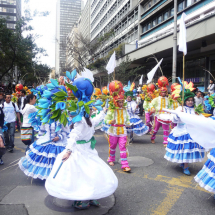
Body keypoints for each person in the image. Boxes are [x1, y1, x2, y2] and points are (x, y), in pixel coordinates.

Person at [45, 78, 118, 210]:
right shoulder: (80, 121)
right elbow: (74, 136)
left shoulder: (87, 119)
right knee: (80, 175)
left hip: (88, 150)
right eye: (90, 107)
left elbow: (95, 122)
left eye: (91, 107)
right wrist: (68, 151)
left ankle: (90, 196)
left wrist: (104, 111)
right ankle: (79, 200)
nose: (92, 109)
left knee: (93, 173)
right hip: (78, 151)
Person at [164, 89, 205, 175]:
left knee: (189, 149)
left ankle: (184, 164)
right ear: (185, 101)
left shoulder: (195, 109)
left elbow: (200, 119)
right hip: (181, 131)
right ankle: (185, 166)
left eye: (191, 100)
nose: (190, 102)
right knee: (184, 149)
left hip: (192, 131)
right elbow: (174, 120)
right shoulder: (180, 108)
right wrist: (178, 114)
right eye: (188, 100)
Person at [104, 86, 131, 172]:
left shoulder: (124, 110)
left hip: (123, 131)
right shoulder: (112, 110)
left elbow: (127, 120)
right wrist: (110, 121)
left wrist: (128, 124)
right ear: (116, 102)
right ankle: (111, 159)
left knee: (123, 147)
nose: (121, 104)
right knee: (112, 146)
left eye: (122, 102)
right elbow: (105, 120)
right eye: (119, 102)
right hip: (113, 131)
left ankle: (125, 164)